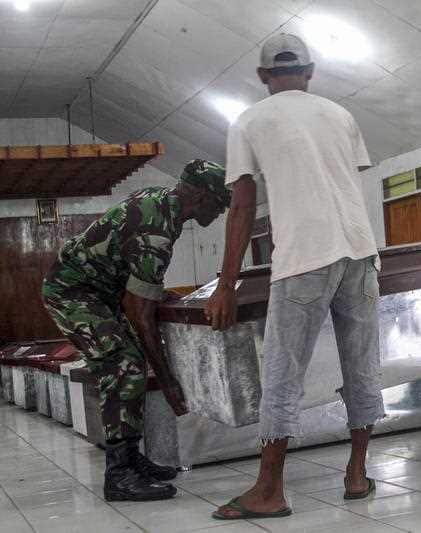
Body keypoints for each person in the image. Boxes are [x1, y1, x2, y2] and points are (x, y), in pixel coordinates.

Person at [205, 33, 384, 520]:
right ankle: (356, 474)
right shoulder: (341, 115)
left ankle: (270, 489)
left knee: (283, 375)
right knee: (361, 366)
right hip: (360, 252)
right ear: (309, 72)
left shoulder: (247, 121)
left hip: (304, 257)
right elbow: (345, 178)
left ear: (264, 76)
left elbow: (242, 207)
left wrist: (227, 284)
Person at [42, 160, 230, 501]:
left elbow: (141, 288)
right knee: (124, 364)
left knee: (128, 364)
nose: (220, 212)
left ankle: (130, 458)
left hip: (102, 293)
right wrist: (169, 381)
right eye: (219, 204)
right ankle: (119, 475)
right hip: (73, 293)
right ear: (202, 197)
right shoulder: (157, 229)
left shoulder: (161, 202)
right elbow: (140, 313)